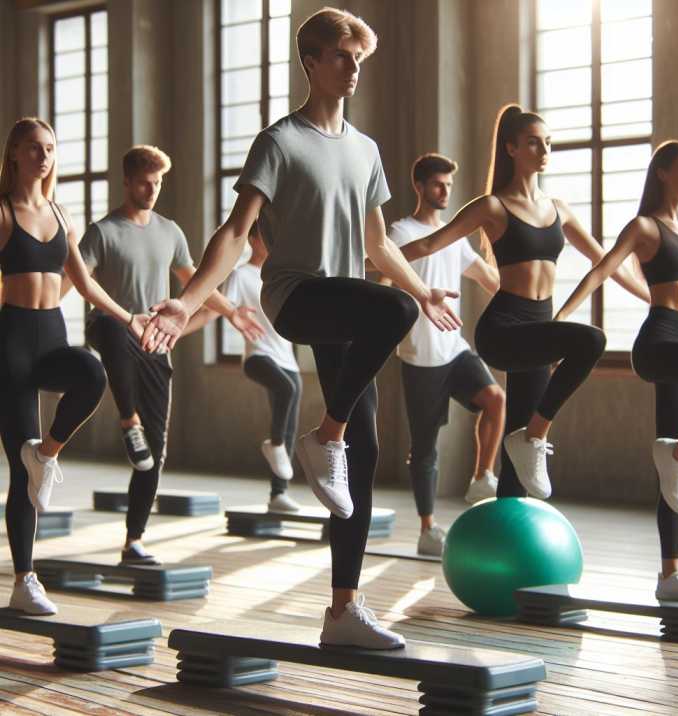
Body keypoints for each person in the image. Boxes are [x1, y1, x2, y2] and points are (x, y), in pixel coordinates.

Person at [141, 7, 461, 649]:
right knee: (388, 318)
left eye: (360, 60)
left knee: (364, 456)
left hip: (347, 302)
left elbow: (376, 244)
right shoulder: (280, 141)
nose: (353, 69)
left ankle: (343, 610)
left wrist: (424, 288)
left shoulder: (367, 150)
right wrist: (187, 301)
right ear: (311, 62)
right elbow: (235, 235)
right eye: (342, 56)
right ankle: (326, 434)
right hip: (296, 296)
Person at [393, 104, 650, 500]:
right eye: (534, 143)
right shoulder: (492, 207)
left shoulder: (558, 209)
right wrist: (365, 262)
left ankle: (511, 512)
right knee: (591, 341)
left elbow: (605, 261)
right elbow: (427, 244)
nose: (544, 150)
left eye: (548, 143)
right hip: (505, 328)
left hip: (540, 325)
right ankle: (536, 435)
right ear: (512, 148)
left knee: (516, 443)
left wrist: (650, 297)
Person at [73, 144, 263, 566]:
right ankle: (128, 421)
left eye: (157, 182)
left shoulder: (170, 231)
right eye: (144, 180)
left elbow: (194, 281)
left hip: (154, 345)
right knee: (108, 327)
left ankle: (133, 541)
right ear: (126, 181)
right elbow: (78, 280)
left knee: (153, 453)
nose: (151, 188)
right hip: (114, 328)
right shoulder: (102, 232)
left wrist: (231, 311)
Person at [0, 118, 150, 614]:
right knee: (19, 477)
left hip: (52, 338)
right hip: (11, 343)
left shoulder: (62, 216)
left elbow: (85, 285)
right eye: (33, 148)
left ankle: (46, 454)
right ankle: (25, 579)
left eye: (49, 148)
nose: (43, 157)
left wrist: (130, 319)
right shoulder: (2, 212)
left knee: (92, 373)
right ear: (15, 154)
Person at [555, 140, 678, 601]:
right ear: (662, 173)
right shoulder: (645, 227)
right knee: (677, 453)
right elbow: (601, 270)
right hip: (658, 343)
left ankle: (670, 575)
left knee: (672, 471)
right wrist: (563, 319)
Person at [383, 153, 503, 556]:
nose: (445, 191)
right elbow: (385, 276)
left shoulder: (455, 236)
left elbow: (489, 279)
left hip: (455, 348)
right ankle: (427, 527)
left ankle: (483, 475)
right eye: (437, 184)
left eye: (449, 185)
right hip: (419, 356)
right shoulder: (400, 232)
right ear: (419, 187)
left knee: (495, 399)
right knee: (425, 448)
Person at [189, 224, 303, 512]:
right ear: (252, 239)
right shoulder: (242, 274)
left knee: (289, 421)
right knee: (285, 392)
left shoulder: (281, 276)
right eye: (266, 234)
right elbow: (214, 311)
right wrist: (178, 330)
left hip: (288, 359)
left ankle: (279, 494)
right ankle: (274, 444)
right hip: (259, 357)